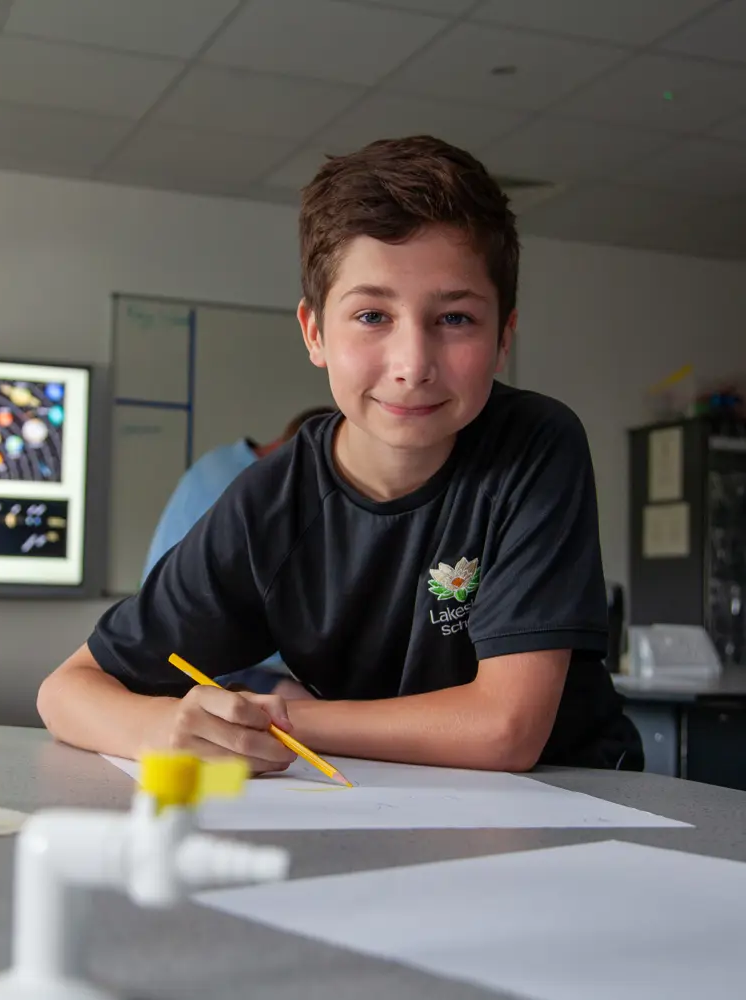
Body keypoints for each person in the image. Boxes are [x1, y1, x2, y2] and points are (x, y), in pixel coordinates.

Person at [38, 135, 644, 776]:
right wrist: (167, 727)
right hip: (387, 804)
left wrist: (272, 718)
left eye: (457, 319)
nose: (413, 366)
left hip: (578, 806)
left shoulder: (535, 445)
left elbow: (505, 730)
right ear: (315, 332)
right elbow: (66, 691)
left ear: (503, 340)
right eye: (372, 315)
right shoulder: (274, 500)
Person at [140, 408, 335, 698]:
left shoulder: (218, 462)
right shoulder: (260, 488)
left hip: (169, 650)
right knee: (307, 708)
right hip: (204, 663)